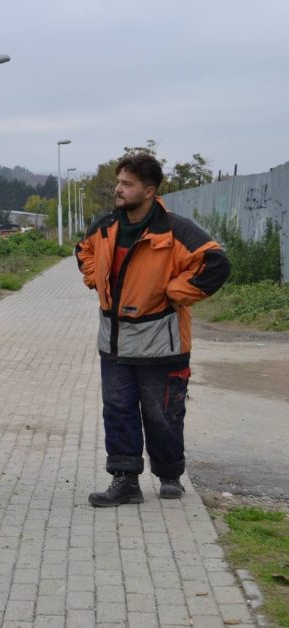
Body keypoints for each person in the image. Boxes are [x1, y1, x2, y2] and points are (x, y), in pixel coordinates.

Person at [76, 153, 230, 507]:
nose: (118, 189)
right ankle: (125, 479)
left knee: (162, 414)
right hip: (114, 342)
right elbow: (83, 251)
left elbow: (216, 263)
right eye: (118, 182)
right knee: (118, 410)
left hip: (163, 342)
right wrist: (94, 278)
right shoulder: (104, 228)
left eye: (126, 184)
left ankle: (170, 473)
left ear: (148, 191)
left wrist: (176, 293)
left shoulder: (177, 230)